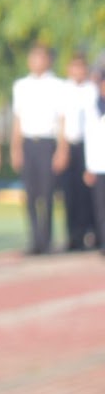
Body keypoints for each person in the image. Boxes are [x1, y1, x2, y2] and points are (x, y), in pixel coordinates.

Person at [11, 44, 70, 255]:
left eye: (40, 57)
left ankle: (47, 241)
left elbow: (63, 120)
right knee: (30, 194)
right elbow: (17, 120)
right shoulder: (21, 86)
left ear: (48, 60)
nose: (36, 62)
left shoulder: (58, 85)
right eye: (33, 57)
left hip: (47, 143)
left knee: (47, 194)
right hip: (28, 143)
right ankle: (34, 240)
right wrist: (15, 148)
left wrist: (62, 149)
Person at [59, 52, 97, 251]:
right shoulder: (64, 90)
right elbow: (62, 121)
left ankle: (90, 234)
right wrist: (61, 149)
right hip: (70, 145)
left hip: (90, 146)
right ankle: (73, 235)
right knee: (69, 192)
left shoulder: (92, 90)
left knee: (88, 193)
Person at [81, 67, 105, 259]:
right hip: (98, 165)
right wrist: (89, 166)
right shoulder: (92, 107)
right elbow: (90, 139)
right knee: (100, 207)